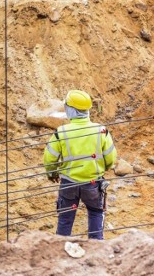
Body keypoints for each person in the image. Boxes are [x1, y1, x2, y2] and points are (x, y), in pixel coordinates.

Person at [43, 90, 117, 240]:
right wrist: (103, 169)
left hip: (68, 184)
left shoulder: (61, 132)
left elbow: (49, 159)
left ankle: (60, 249)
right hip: (93, 183)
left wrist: (52, 174)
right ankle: (96, 249)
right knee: (96, 213)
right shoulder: (101, 130)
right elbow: (110, 158)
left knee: (65, 219)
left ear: (70, 109)